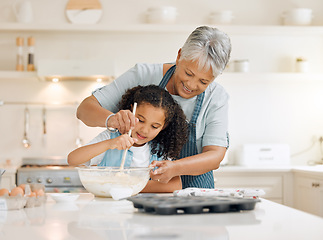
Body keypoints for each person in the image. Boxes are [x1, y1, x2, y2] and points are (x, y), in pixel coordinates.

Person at [76, 25, 232, 189]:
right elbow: (84, 109)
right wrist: (112, 119)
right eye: (188, 73)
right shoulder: (142, 74)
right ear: (179, 56)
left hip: (197, 191)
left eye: (203, 82)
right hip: (144, 191)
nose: (191, 85)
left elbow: (215, 155)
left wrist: (175, 168)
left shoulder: (216, 97)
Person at [68, 85, 188, 193]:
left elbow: (175, 185)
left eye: (154, 126)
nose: (144, 130)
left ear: (163, 127)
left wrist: (127, 185)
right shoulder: (112, 136)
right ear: (131, 111)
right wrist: (109, 144)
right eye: (140, 120)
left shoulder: (160, 149)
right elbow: (73, 159)